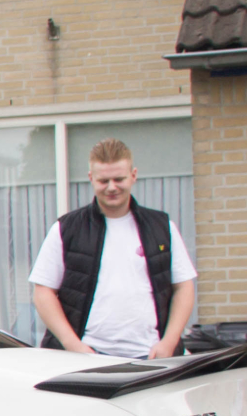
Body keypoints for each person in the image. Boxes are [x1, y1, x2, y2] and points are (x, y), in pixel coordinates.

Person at [28, 138, 196, 358]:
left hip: (152, 357)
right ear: (91, 179)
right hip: (85, 359)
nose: (111, 187)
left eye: (119, 179)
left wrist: (169, 342)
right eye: (103, 180)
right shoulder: (66, 228)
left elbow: (183, 287)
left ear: (133, 175)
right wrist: (73, 345)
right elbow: (43, 292)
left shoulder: (162, 227)